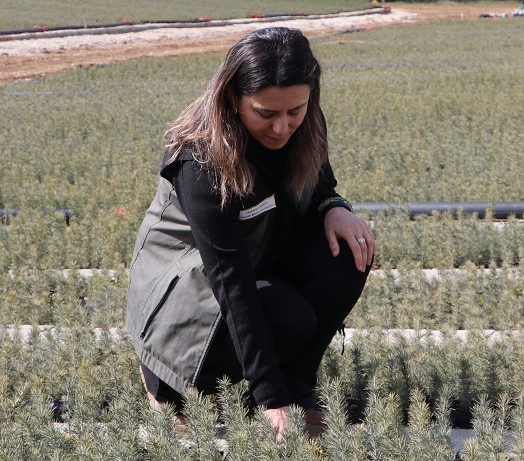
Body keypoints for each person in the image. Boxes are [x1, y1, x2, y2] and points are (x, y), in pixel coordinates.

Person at [126, 26, 376, 438]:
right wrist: (268, 396)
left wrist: (334, 207)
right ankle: (169, 384)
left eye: (294, 111)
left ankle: (297, 390)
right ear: (232, 99)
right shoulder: (200, 160)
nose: (282, 127)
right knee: (287, 319)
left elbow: (320, 184)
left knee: (349, 252)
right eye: (266, 113)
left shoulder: (305, 121)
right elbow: (230, 281)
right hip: (185, 292)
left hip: (259, 259)